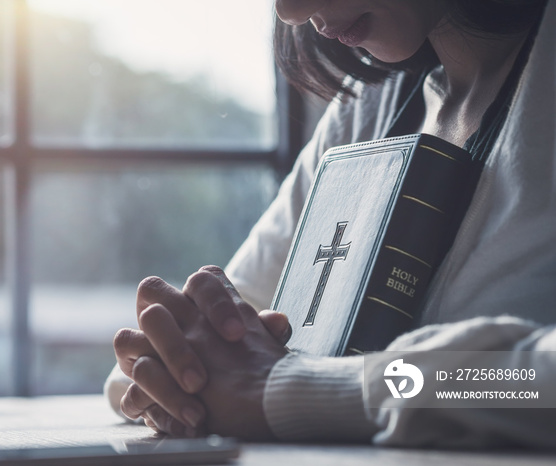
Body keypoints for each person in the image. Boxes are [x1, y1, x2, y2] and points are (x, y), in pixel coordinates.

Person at [105, 0, 556, 448]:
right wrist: (177, 363)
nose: (289, 12)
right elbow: (187, 359)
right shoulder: (369, 104)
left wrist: (289, 390)